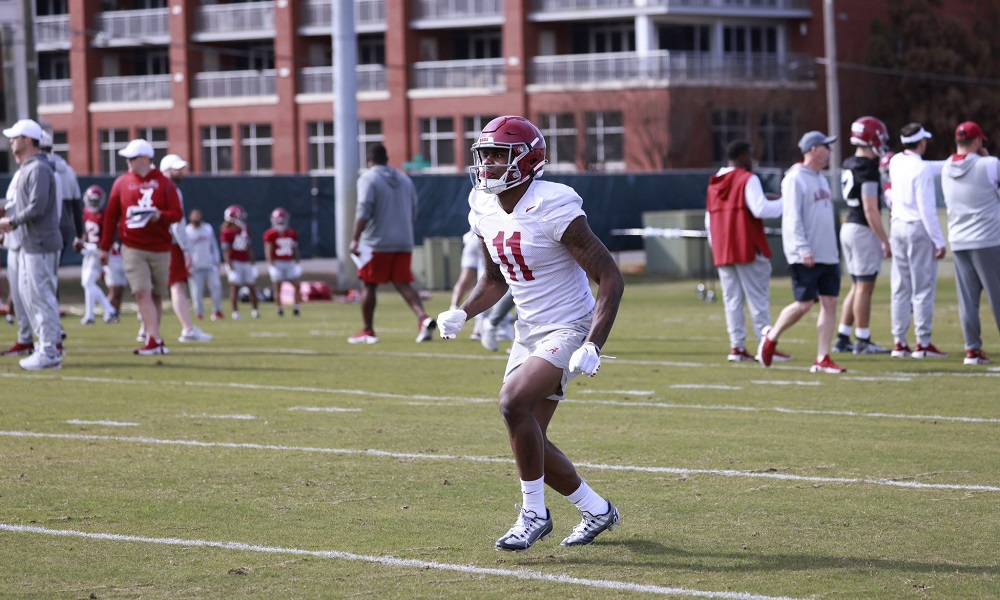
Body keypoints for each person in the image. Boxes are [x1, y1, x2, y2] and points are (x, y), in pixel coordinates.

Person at [436, 116, 625, 551]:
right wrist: (462, 312)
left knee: (511, 402)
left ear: (528, 159)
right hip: (528, 331)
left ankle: (533, 514)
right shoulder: (482, 206)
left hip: (569, 326)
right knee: (530, 437)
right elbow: (495, 280)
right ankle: (597, 509)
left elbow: (611, 278)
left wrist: (593, 342)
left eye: (499, 156)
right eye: (484, 156)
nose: (488, 166)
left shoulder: (554, 205)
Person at [757, 131, 845, 374]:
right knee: (804, 304)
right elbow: (792, 217)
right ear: (814, 149)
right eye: (826, 147)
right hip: (805, 254)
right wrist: (802, 247)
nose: (830, 151)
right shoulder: (795, 178)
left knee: (830, 303)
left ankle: (822, 357)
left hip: (828, 253)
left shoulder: (822, 178)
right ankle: (771, 337)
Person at [98, 138, 183, 355]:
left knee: (156, 294)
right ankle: (154, 339)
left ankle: (153, 335)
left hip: (160, 247)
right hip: (132, 246)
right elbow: (111, 215)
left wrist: (159, 216)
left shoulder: (165, 183)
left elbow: (176, 214)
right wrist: (105, 247)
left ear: (145, 159)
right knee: (141, 292)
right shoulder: (122, 182)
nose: (127, 162)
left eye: (131, 158)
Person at [705, 139, 785, 363]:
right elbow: (760, 208)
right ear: (742, 157)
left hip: (723, 249)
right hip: (747, 246)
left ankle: (737, 347)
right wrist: (787, 202)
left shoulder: (714, 183)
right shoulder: (747, 178)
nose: (753, 160)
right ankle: (765, 344)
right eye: (750, 155)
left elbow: (709, 221)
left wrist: (716, 247)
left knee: (732, 301)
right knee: (758, 299)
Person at [348, 143, 435, 344]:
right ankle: (423, 318)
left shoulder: (368, 178)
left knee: (368, 284)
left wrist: (355, 238)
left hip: (375, 243)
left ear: (369, 160)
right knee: (404, 284)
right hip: (403, 241)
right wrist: (406, 233)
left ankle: (368, 331)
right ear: (387, 159)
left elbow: (363, 210)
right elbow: (414, 210)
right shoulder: (405, 179)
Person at [0, 119, 63, 370]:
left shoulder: (39, 169)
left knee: (41, 297)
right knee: (29, 297)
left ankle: (49, 351)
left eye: (15, 137)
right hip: (30, 244)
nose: (11, 142)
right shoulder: (29, 168)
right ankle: (45, 346)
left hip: (40, 244)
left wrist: (11, 222)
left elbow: (37, 206)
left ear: (27, 140)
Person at [940, 121, 1000, 366]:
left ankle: (972, 350)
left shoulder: (945, 167)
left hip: (959, 240)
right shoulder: (990, 164)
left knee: (968, 299)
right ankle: (973, 350)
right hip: (988, 238)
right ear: (977, 142)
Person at [887, 123, 948, 359]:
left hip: (897, 226)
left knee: (900, 287)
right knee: (922, 288)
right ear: (921, 142)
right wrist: (939, 241)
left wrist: (953, 161)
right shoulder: (920, 169)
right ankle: (923, 343)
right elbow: (927, 209)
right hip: (917, 228)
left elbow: (931, 167)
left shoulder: (896, 161)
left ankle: (899, 342)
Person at [833, 117, 893, 355]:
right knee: (865, 287)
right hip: (861, 228)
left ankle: (843, 336)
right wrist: (884, 239)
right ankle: (863, 340)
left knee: (858, 285)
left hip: (849, 226)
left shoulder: (850, 162)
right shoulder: (867, 167)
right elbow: (870, 209)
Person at [159, 154, 212, 343]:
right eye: (177, 168)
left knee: (153, 288)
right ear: (166, 170)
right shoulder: (170, 189)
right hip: (170, 243)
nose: (181, 172)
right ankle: (188, 329)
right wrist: (186, 248)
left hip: (155, 242)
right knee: (178, 286)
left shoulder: (152, 188)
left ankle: (146, 329)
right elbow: (177, 223)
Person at [40, 130, 84, 264]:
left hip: (42, 231)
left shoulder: (36, 168)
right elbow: (77, 206)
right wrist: (79, 235)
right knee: (52, 274)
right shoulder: (68, 170)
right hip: (62, 229)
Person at [79, 185, 119, 324]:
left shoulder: (105, 215)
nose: (94, 204)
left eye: (96, 201)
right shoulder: (85, 212)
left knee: (87, 282)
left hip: (99, 252)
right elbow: (85, 233)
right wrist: (82, 243)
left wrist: (97, 247)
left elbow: (109, 235)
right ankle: (90, 315)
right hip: (89, 251)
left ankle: (110, 310)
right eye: (92, 201)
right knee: (87, 283)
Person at [219, 204, 259, 320]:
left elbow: (249, 248)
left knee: (252, 286)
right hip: (234, 262)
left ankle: (255, 310)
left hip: (245, 261)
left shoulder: (245, 229)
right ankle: (235, 312)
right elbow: (226, 252)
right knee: (235, 288)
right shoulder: (226, 233)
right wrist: (230, 268)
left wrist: (253, 264)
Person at [185, 209, 224, 321]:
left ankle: (217, 310)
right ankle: (199, 313)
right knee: (196, 291)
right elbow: (186, 250)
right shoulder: (187, 231)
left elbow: (213, 245)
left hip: (209, 264)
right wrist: (187, 265)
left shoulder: (207, 228)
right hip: (195, 266)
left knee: (216, 286)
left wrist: (217, 261)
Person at [263, 207, 302, 317]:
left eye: (282, 220)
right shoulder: (270, 234)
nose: (280, 223)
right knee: (277, 287)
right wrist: (271, 266)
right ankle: (279, 309)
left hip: (289, 262)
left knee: (297, 285)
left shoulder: (291, 233)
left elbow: (295, 249)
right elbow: (268, 251)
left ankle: (296, 307)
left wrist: (297, 263)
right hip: (277, 263)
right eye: (278, 220)